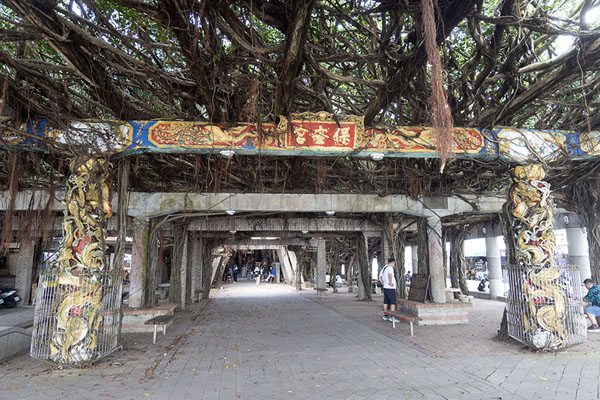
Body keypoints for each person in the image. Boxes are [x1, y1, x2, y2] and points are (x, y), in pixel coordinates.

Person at [378, 257, 399, 323]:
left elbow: (379, 277)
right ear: (392, 262)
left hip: (385, 287)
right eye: (394, 263)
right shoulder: (390, 268)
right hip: (390, 288)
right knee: (393, 302)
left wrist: (383, 282)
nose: (394, 265)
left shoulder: (384, 267)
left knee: (386, 301)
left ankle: (385, 315)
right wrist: (390, 283)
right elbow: (390, 276)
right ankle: (392, 317)